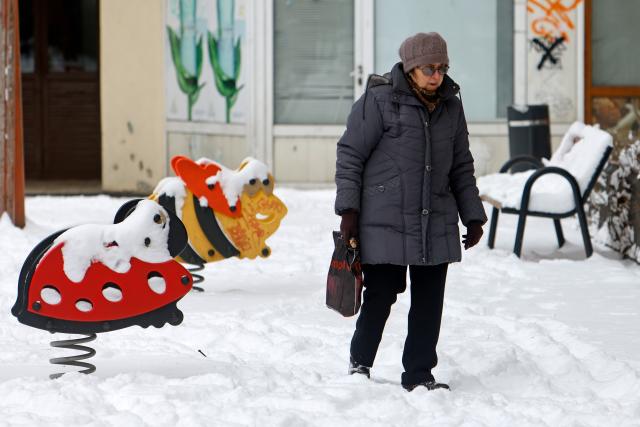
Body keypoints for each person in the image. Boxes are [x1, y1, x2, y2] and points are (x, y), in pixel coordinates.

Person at [334, 32, 487, 392]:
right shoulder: (380, 99)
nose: (436, 75)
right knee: (381, 294)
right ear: (410, 67)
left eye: (442, 68)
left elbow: (461, 165)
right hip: (384, 217)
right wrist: (349, 210)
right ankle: (360, 364)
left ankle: (419, 375)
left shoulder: (451, 105)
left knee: (429, 302)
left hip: (435, 217)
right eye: (428, 68)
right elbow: (350, 154)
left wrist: (473, 215)